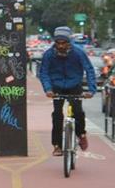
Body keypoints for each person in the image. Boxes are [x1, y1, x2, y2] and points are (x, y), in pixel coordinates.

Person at [38, 26, 96, 156]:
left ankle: (81, 134)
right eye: (58, 43)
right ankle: (57, 145)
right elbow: (44, 73)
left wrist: (91, 90)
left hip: (74, 85)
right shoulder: (49, 55)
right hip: (56, 86)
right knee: (57, 114)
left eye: (64, 43)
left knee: (78, 111)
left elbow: (89, 70)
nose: (61, 46)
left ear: (69, 42)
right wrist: (48, 89)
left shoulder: (78, 53)